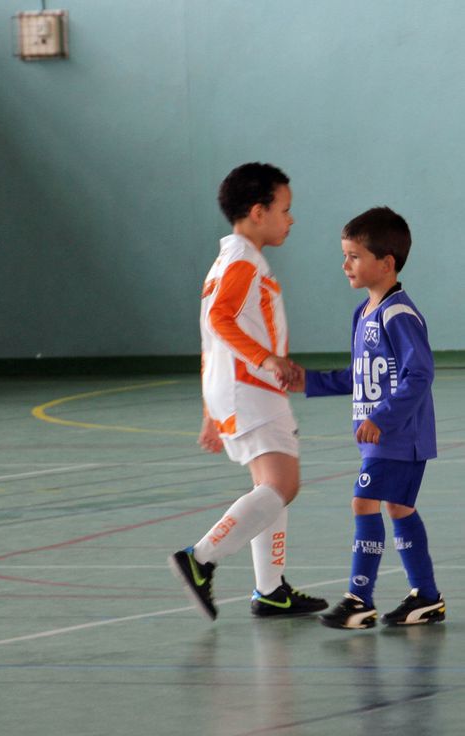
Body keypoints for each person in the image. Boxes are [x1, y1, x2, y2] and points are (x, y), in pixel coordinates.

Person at [169, 163, 327, 620]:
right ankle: (200, 559)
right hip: (251, 389)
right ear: (258, 212)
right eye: (285, 209)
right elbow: (220, 321)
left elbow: (209, 337)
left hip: (234, 389)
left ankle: (270, 588)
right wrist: (268, 360)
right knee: (283, 485)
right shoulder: (241, 262)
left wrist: (209, 409)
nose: (291, 219)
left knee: (268, 487)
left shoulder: (230, 260)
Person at [288, 207, 443, 629]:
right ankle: (426, 597)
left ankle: (359, 598)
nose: (345, 265)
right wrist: (309, 381)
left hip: (399, 436)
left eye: (354, 256)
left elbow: (420, 372)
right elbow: (359, 376)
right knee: (399, 509)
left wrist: (385, 418)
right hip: (382, 438)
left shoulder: (399, 315)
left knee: (364, 501)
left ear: (386, 262)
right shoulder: (363, 314)